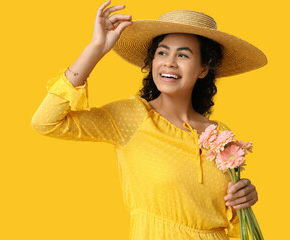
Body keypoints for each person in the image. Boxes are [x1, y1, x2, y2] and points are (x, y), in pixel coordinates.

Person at [31, 0, 266, 239]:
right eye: (162, 52)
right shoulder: (133, 117)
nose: (169, 62)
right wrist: (96, 48)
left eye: (183, 55)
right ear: (152, 61)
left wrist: (244, 200)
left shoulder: (220, 134)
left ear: (203, 68)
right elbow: (46, 122)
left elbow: (236, 224)